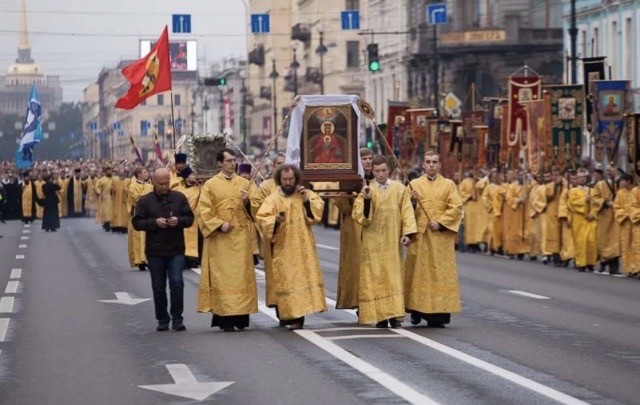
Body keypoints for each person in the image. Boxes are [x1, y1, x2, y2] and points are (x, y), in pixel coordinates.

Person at [256, 164, 327, 330]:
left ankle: (298, 316)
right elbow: (262, 218)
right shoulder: (272, 199)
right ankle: (285, 314)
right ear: (279, 180)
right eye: (285, 179)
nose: (288, 182)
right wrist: (274, 221)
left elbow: (315, 215)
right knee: (285, 281)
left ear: (296, 179)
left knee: (299, 281)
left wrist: (306, 201)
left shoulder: (304, 194)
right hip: (283, 249)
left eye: (291, 179)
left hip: (302, 248)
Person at [197, 149, 259, 332]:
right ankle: (225, 319)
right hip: (221, 241)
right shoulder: (210, 185)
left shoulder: (245, 183)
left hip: (241, 239)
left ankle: (241, 319)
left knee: (241, 277)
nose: (233, 164)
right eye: (229, 161)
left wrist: (248, 202)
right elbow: (203, 211)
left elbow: (258, 208)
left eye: (234, 160)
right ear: (220, 163)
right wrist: (219, 225)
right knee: (223, 278)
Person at [352, 155, 417, 328]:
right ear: (372, 171)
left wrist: (407, 234)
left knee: (394, 277)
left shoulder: (400, 188)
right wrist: (366, 200)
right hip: (372, 243)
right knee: (377, 278)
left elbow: (407, 212)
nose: (380, 174)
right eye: (377, 171)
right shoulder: (367, 190)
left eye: (383, 170)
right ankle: (380, 315)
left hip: (392, 242)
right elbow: (361, 218)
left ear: (389, 170)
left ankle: (395, 315)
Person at [405, 150, 463, 328]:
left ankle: (437, 316)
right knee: (418, 274)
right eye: (428, 162)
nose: (431, 165)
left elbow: (456, 207)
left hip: (439, 238)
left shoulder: (448, 185)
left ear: (439, 165)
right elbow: (405, 210)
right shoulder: (414, 184)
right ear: (423, 165)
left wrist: (441, 223)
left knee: (438, 275)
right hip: (420, 236)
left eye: (434, 162)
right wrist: (413, 201)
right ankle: (416, 310)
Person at [132, 168, 194, 332]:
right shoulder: (145, 201)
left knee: (177, 283)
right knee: (158, 286)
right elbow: (137, 223)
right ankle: (162, 319)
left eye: (167, 183)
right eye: (161, 184)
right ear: (153, 182)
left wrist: (178, 221)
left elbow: (190, 219)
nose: (164, 186)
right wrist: (154, 223)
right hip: (155, 250)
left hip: (176, 249)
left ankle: (177, 318)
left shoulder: (179, 198)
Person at [333, 147, 374, 311]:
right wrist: (351, 193)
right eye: (364, 159)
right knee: (357, 263)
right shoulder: (349, 180)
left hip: (374, 225)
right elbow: (341, 203)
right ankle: (358, 300)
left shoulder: (378, 178)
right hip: (354, 226)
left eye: (370, 158)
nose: (368, 162)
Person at [592, 164, 621, 274]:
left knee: (615, 241)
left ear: (616, 171)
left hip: (617, 216)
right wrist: (605, 202)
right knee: (603, 240)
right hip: (604, 216)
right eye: (608, 170)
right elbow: (594, 198)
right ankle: (603, 263)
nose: (610, 172)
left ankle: (614, 267)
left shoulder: (620, 183)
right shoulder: (600, 185)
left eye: (612, 170)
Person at [567, 168, 597, 272]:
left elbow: (596, 204)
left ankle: (590, 262)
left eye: (584, 177)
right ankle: (581, 263)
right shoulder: (573, 191)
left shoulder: (592, 191)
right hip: (578, 220)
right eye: (580, 177)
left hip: (590, 219)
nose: (582, 179)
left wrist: (592, 214)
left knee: (591, 241)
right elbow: (572, 204)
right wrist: (584, 200)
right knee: (580, 242)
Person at [174, 166, 202, 269]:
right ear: (186, 177)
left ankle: (194, 260)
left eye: (194, 174)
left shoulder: (199, 188)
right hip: (183, 219)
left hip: (196, 220)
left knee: (196, 241)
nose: (194, 176)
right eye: (192, 175)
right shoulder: (178, 189)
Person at [613, 173, 640, 277]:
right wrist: (626, 215)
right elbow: (617, 207)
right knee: (626, 245)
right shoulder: (620, 193)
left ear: (628, 181)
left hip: (637, 222)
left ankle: (637, 267)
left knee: (637, 245)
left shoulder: (635, 191)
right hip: (626, 222)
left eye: (622, 181)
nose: (620, 183)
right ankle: (630, 268)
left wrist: (635, 215)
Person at [127, 167, 153, 271]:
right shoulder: (132, 186)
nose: (147, 173)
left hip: (149, 215)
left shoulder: (150, 186)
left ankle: (148, 259)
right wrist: (148, 196)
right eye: (145, 172)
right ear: (139, 174)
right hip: (138, 215)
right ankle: (139, 260)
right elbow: (136, 199)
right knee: (138, 238)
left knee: (149, 238)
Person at [503, 170, 529, 259]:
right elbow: (508, 198)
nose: (522, 176)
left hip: (525, 212)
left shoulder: (528, 185)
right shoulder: (512, 186)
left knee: (524, 231)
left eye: (524, 175)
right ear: (517, 176)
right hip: (515, 213)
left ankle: (522, 251)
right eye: (521, 175)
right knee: (513, 232)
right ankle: (512, 250)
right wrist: (518, 201)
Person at [95, 166, 115, 232]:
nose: (109, 172)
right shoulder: (101, 180)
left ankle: (111, 224)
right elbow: (97, 187)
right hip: (105, 198)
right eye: (108, 171)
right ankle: (106, 224)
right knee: (105, 212)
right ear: (105, 172)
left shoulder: (114, 179)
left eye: (110, 170)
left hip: (113, 198)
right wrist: (99, 192)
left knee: (112, 212)